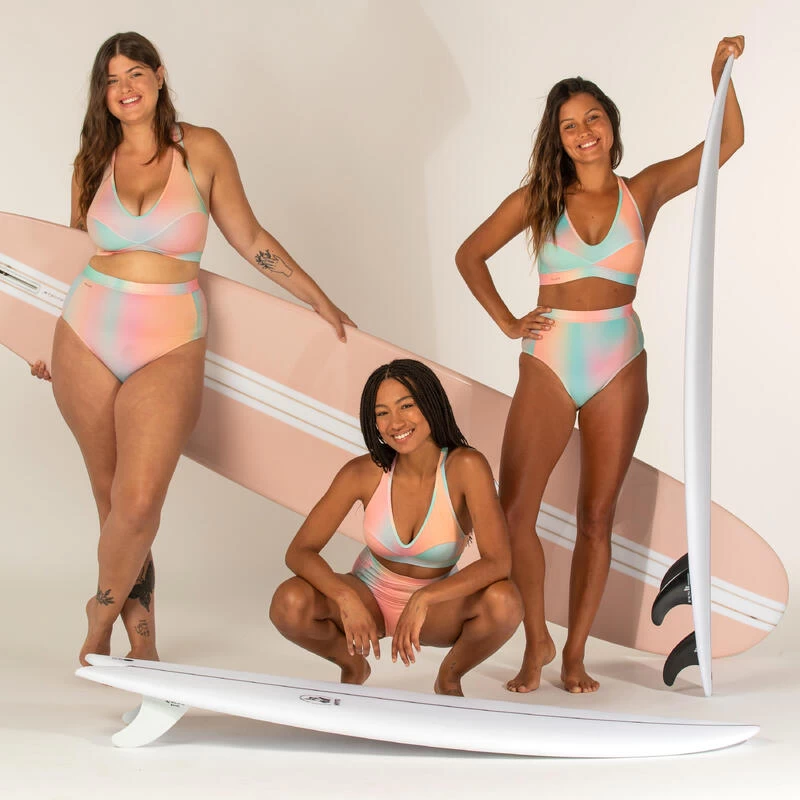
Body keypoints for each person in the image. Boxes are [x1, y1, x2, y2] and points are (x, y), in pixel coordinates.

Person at [29, 31, 354, 666]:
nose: (124, 89)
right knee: (110, 500)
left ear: (158, 75)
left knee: (138, 504)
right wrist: (35, 337)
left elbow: (248, 235)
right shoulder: (93, 158)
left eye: (134, 74)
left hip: (170, 337)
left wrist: (316, 297)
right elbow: (73, 250)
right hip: (85, 331)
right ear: (103, 94)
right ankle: (142, 641)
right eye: (111, 81)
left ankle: (100, 609)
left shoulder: (200, 149)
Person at [455, 37, 744, 693]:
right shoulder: (539, 197)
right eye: (569, 125)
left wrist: (720, 76)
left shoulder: (644, 190)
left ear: (611, 124)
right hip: (551, 357)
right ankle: (536, 641)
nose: (584, 131)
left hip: (620, 359)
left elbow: (726, 143)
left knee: (596, 516)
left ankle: (575, 654)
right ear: (557, 139)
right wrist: (508, 322)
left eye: (592, 118)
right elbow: (470, 254)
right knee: (515, 510)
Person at [269, 359, 522, 696]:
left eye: (407, 406)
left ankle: (449, 678)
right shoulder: (362, 472)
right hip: (368, 597)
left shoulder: (466, 467)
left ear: (431, 404)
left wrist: (425, 597)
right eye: (382, 413)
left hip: (436, 609)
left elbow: (498, 563)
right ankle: (352, 665)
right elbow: (299, 551)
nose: (396, 422)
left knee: (506, 602)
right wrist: (345, 596)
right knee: (289, 602)